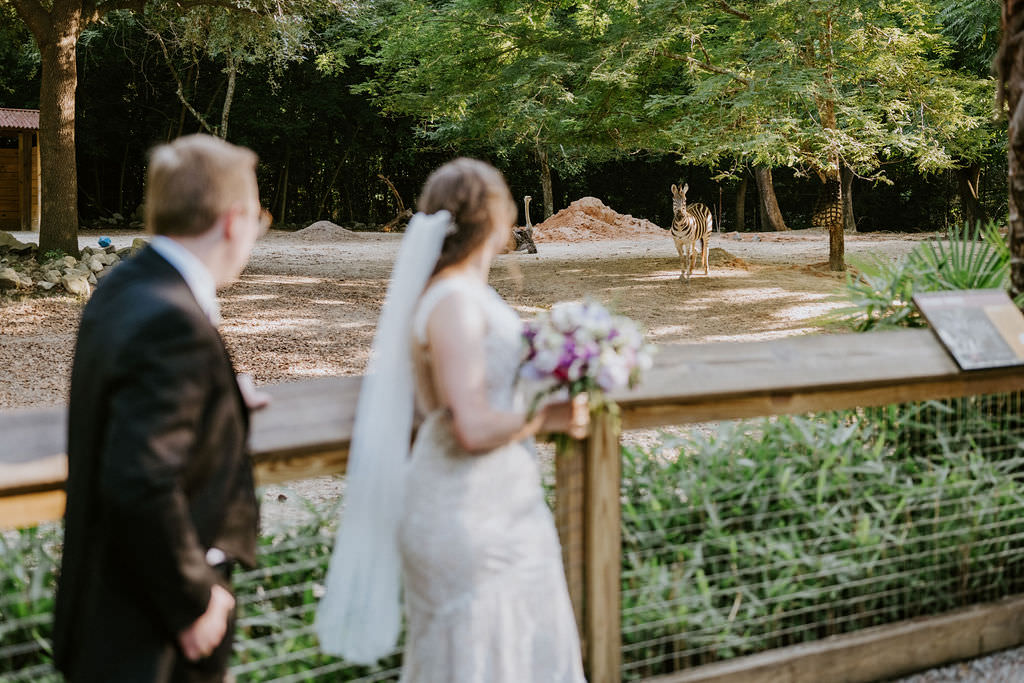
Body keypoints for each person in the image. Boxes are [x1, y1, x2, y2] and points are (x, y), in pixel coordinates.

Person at [316, 158, 588, 681]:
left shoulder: (466, 293)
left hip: (503, 507)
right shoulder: (455, 302)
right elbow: (472, 426)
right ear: (492, 215)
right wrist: (546, 415)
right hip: (469, 520)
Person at [53, 134, 270, 682]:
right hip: (152, 633)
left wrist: (219, 396)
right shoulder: (171, 321)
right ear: (233, 219)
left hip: (107, 612)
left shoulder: (126, 285)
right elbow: (140, 480)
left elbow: (137, 405)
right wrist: (194, 599)